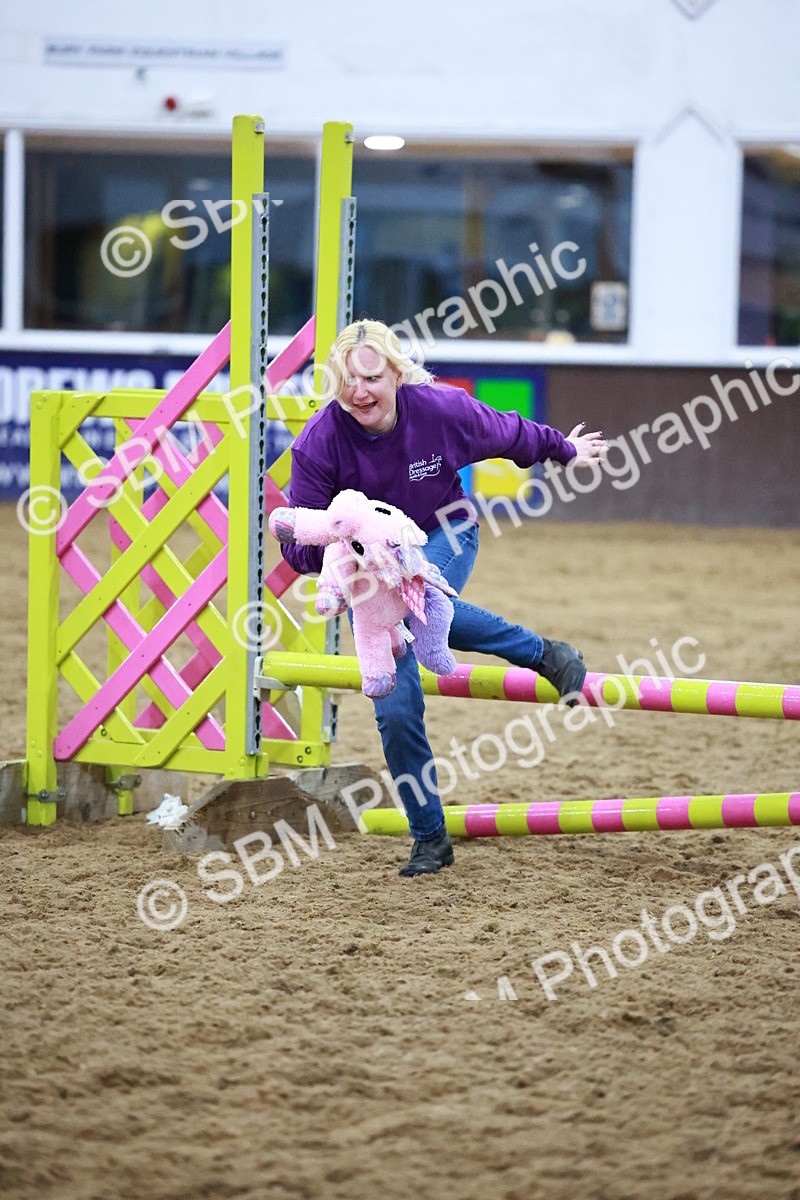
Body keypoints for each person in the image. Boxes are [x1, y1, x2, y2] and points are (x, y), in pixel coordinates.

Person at [277, 319, 608, 877]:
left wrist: (565, 449)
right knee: (396, 710)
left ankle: (545, 653)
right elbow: (301, 553)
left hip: (444, 531)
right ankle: (430, 837)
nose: (361, 392)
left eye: (373, 378)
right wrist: (341, 546)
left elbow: (510, 433)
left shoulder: (440, 410)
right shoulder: (319, 444)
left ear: (396, 374)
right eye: (347, 382)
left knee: (423, 593)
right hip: (367, 577)